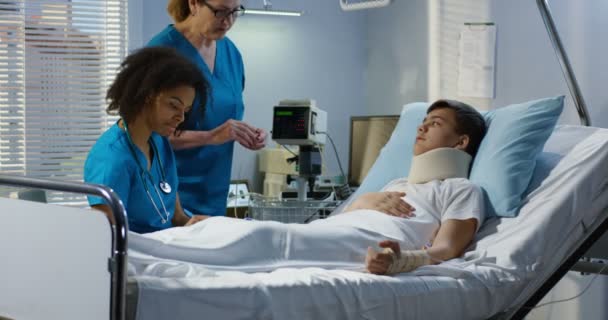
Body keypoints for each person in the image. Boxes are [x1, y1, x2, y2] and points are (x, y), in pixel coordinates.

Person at [129, 99, 488, 276]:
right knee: (229, 231)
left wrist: (401, 261)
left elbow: (447, 249)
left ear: (460, 144)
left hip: (364, 244)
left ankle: (133, 254)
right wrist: (365, 199)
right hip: (337, 229)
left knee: (263, 238)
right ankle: (129, 250)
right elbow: (342, 215)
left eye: (435, 123)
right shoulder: (397, 183)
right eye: (422, 122)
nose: (421, 129)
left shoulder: (461, 189)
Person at [147, 0, 266, 218]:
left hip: (215, 198)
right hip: (169, 201)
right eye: (220, 12)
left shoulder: (231, 54)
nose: (228, 21)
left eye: (234, 12)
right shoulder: (161, 55)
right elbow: (147, 137)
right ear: (193, 4)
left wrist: (245, 134)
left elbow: (224, 118)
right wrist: (211, 136)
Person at [84, 47, 210, 233]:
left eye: (186, 110)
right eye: (173, 105)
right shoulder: (112, 159)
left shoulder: (159, 143)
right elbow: (106, 239)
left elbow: (176, 217)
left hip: (167, 248)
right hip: (137, 256)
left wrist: (196, 224)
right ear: (146, 95)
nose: (181, 117)